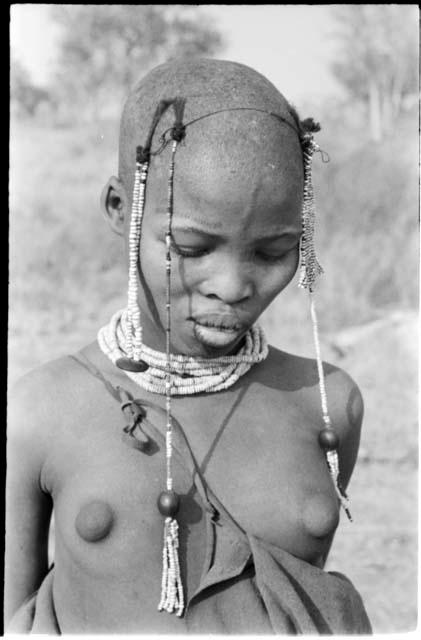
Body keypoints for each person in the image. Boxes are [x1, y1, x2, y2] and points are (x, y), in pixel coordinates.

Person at [5, 58, 372, 634]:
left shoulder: (329, 405)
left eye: (274, 252)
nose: (232, 286)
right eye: (192, 247)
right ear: (121, 211)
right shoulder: (38, 414)